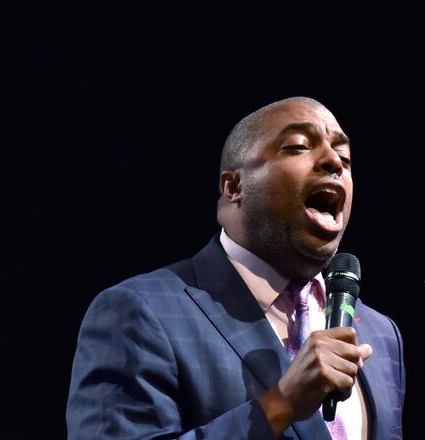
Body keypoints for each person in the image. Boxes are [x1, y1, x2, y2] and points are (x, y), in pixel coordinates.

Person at [66, 97, 405, 439]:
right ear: (234, 186)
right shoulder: (140, 312)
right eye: (299, 146)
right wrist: (280, 405)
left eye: (345, 158)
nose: (334, 162)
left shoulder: (380, 335)